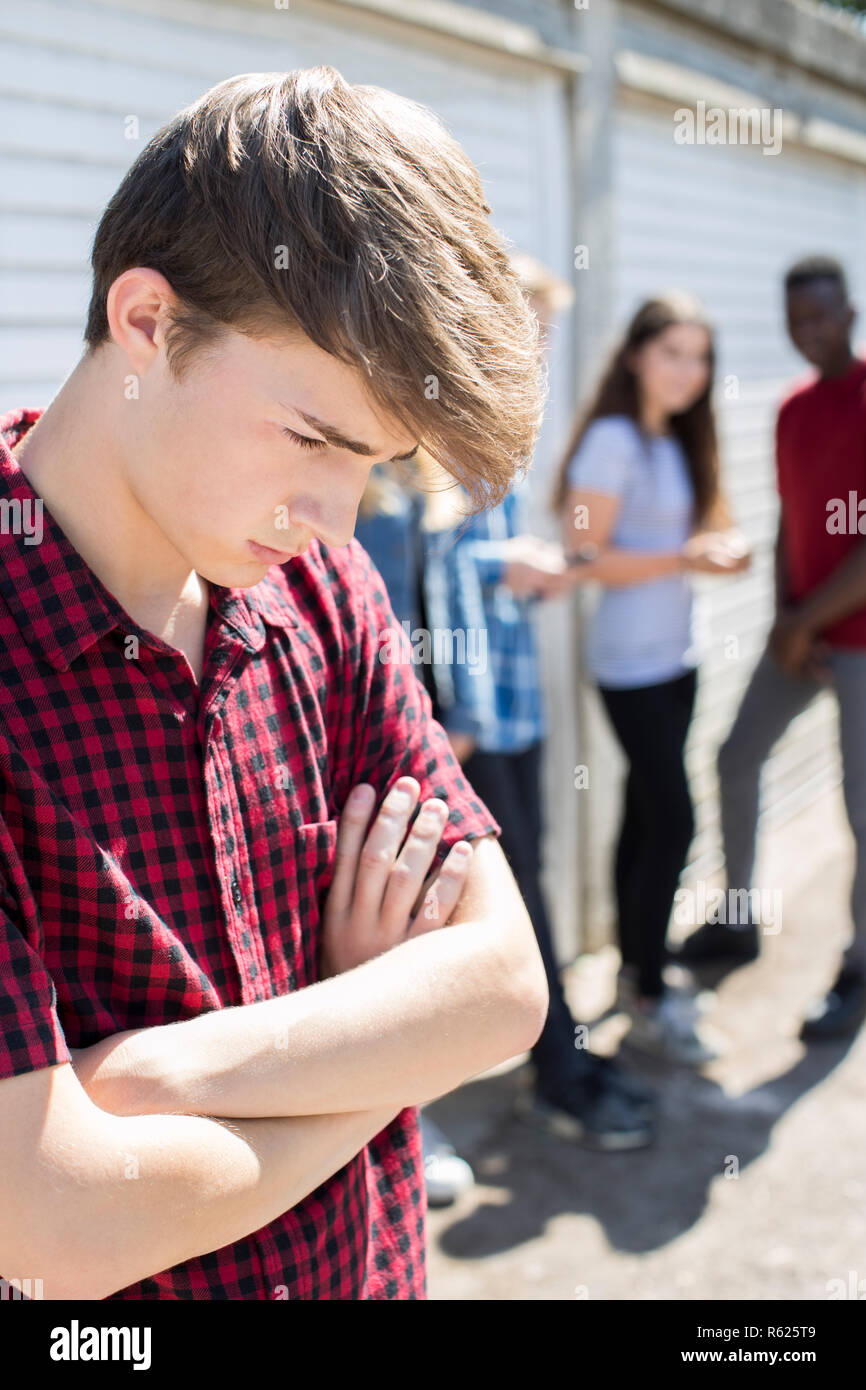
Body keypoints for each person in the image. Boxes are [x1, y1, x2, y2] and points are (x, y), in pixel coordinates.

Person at [0, 66, 552, 1301]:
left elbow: (506, 990)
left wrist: (155, 1079)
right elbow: (53, 1221)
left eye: (376, 466)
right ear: (146, 323)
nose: (332, 516)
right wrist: (377, 1035)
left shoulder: (326, 591)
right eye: (312, 438)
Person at [428, 260, 659, 1150]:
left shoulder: (497, 429)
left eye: (546, 332)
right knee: (508, 895)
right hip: (468, 714)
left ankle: (560, 1058)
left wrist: (528, 570)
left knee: (538, 879)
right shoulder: (435, 424)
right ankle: (556, 1073)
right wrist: (508, 568)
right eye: (526, 326)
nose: (538, 348)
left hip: (515, 700)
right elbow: (419, 567)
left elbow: (476, 567)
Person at [553, 292, 750, 1065]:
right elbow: (580, 556)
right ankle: (649, 992)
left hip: (679, 657)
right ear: (636, 354)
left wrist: (716, 547)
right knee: (675, 819)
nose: (687, 371)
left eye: (699, 356)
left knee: (646, 812)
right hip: (628, 665)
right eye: (672, 352)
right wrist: (683, 559)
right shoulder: (610, 441)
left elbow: (691, 534)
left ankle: (637, 974)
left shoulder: (675, 439)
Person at [675, 256, 866, 1040]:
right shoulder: (792, 408)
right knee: (733, 755)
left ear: (849, 314)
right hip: (803, 628)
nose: (808, 332)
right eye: (795, 320)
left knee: (863, 805)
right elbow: (796, 521)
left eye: (820, 317)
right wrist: (786, 619)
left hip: (853, 636)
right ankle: (740, 917)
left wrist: (805, 621)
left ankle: (857, 967)